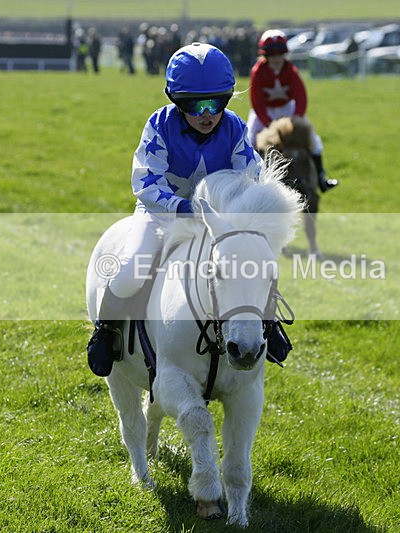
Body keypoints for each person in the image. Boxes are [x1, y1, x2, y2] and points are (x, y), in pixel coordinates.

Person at [87, 42, 291, 376]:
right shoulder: (159, 125)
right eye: (194, 105)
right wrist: (182, 207)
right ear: (176, 101)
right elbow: (147, 184)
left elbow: (251, 177)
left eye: (217, 102)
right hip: (161, 215)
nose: (207, 113)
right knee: (129, 272)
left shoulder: (236, 128)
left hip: (217, 222)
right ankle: (105, 331)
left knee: (254, 263)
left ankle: (268, 322)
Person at [247, 29, 337, 192]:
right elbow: (256, 101)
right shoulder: (258, 71)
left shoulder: (290, 70)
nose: (276, 58)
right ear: (265, 55)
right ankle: (249, 179)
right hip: (264, 111)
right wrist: (269, 124)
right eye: (272, 54)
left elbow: (300, 96)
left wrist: (296, 119)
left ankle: (321, 178)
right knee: (250, 138)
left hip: (287, 109)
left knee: (314, 139)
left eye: (280, 53)